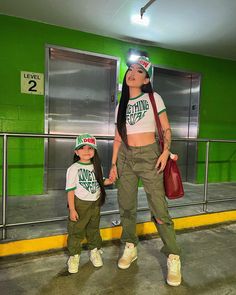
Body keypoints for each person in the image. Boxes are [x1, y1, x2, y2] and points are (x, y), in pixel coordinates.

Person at [109, 56, 182, 286]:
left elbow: (167, 128)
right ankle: (130, 245)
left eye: (138, 70)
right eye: (130, 69)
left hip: (151, 155)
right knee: (126, 205)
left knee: (159, 208)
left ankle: (173, 256)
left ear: (146, 78)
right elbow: (118, 138)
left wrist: (164, 151)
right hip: (125, 157)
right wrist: (113, 165)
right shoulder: (121, 105)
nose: (132, 72)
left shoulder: (153, 97)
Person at [66, 133, 113, 274]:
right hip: (80, 204)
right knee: (76, 231)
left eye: (90, 148)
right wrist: (72, 209)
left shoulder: (96, 166)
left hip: (95, 203)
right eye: (82, 148)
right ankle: (74, 256)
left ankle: (94, 251)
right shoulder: (73, 168)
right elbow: (70, 191)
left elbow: (100, 181)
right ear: (76, 151)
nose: (86, 151)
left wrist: (108, 181)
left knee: (94, 229)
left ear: (94, 151)